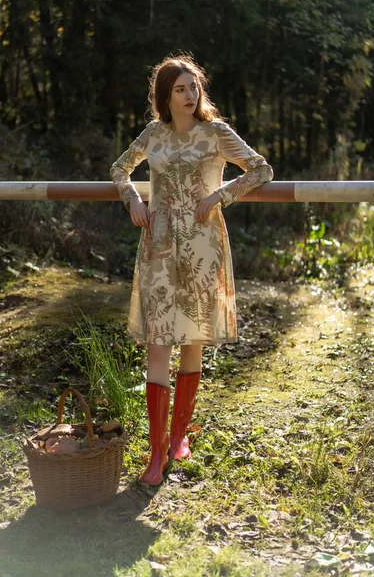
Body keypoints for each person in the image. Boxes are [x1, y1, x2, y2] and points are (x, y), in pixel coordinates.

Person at [110, 53, 273, 486]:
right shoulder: (153, 134)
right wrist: (133, 199)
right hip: (159, 244)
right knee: (159, 343)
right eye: (180, 88)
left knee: (193, 340)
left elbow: (261, 169)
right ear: (165, 95)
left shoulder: (215, 132)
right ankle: (156, 453)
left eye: (194, 86)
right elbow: (119, 168)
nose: (189, 94)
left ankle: (180, 436)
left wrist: (219, 196)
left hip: (203, 245)